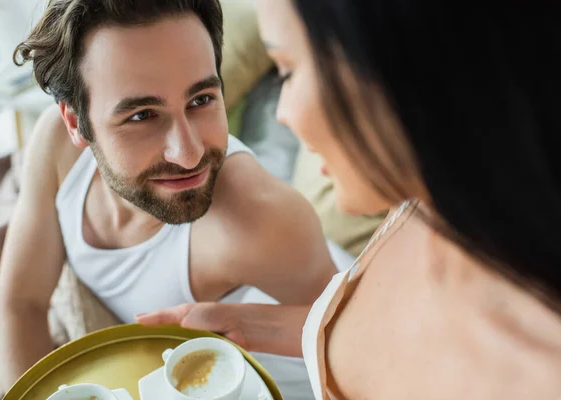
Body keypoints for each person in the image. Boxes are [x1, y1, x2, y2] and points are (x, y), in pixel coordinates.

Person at [139, 1, 561, 399]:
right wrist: (242, 326)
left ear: (391, 66)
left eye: (287, 70)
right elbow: (392, 337)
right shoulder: (429, 211)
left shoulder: (531, 373)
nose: (282, 113)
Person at [0, 1, 340, 397]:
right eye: (142, 115)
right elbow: (22, 304)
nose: (189, 155)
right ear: (76, 122)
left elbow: (363, 339)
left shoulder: (257, 216)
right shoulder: (55, 145)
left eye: (201, 100)